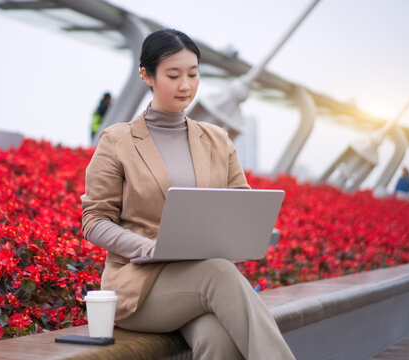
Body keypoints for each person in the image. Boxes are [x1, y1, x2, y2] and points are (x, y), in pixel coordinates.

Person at [81, 29, 295, 359]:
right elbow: (95, 221)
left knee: (218, 340)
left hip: (201, 285)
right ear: (146, 75)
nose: (186, 86)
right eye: (173, 75)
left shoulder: (217, 139)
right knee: (219, 272)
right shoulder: (117, 141)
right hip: (142, 289)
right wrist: (147, 247)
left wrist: (258, 234)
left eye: (193, 74)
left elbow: (242, 204)